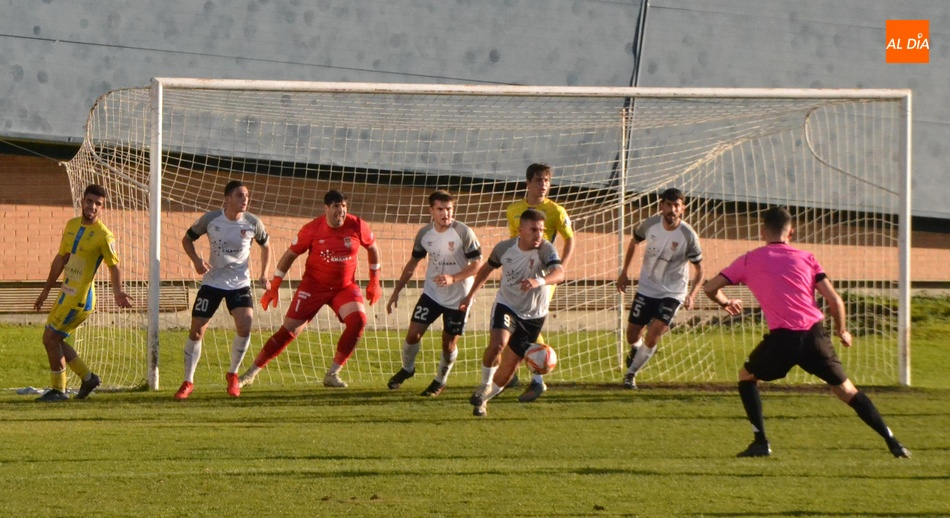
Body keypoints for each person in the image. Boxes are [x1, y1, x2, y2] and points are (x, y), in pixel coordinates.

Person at [703, 206, 911, 458]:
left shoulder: (748, 260)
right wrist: (842, 330)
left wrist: (726, 302)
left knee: (746, 376)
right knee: (847, 391)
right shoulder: (807, 258)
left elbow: (710, 288)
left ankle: (761, 442)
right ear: (791, 232)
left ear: (762, 232)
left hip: (783, 340)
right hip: (815, 336)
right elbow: (835, 300)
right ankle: (894, 442)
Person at [239, 190, 382, 389]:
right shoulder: (312, 229)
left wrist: (375, 280)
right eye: (336, 207)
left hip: (344, 287)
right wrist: (275, 285)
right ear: (326, 208)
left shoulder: (357, 225)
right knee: (289, 331)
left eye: (343, 206)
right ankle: (251, 373)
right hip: (313, 287)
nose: (341, 211)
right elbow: (290, 255)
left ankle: (332, 374)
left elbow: (373, 248)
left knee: (358, 321)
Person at [33, 184, 134, 402]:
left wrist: (118, 292)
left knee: (50, 338)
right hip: (65, 294)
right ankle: (88, 378)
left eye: (98, 204)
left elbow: (114, 267)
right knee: (54, 340)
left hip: (80, 299)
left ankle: (59, 390)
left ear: (102, 207)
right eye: (90, 201)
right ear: (82, 201)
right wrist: (46, 290)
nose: (93, 207)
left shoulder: (104, 236)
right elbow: (60, 259)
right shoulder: (71, 225)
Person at [174, 180, 272, 400]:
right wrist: (196, 260)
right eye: (239, 195)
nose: (245, 199)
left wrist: (264, 274)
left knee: (245, 325)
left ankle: (233, 374)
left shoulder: (253, 222)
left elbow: (266, 246)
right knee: (197, 330)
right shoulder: (211, 219)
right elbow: (187, 239)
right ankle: (188, 381)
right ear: (227, 199)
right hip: (212, 282)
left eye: (246, 195)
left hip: (239, 283)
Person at [463, 208, 565, 417]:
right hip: (507, 305)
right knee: (498, 343)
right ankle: (484, 384)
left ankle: (483, 401)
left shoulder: (546, 249)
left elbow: (560, 273)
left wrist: (538, 281)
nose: (539, 235)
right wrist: (470, 295)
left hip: (534, 315)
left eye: (541, 230)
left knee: (508, 369)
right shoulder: (504, 248)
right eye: (534, 230)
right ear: (521, 230)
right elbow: (487, 268)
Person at [386, 190, 483, 396]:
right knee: (412, 335)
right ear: (431, 210)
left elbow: (477, 265)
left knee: (448, 345)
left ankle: (440, 380)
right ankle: (407, 369)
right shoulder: (424, 234)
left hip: (458, 298)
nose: (445, 214)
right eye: (440, 209)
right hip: (432, 294)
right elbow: (413, 262)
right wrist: (397, 290)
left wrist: (453, 278)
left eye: (449, 209)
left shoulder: (463, 232)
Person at [616, 188, 704, 389]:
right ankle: (638, 350)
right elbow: (634, 242)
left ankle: (631, 374)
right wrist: (624, 273)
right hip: (647, 288)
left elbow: (700, 270)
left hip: (673, 293)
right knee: (632, 335)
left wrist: (692, 294)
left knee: (654, 333)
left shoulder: (689, 236)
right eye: (668, 205)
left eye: (676, 206)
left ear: (683, 208)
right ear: (661, 206)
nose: (672, 210)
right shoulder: (650, 225)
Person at [501, 163, 575, 403]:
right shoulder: (514, 210)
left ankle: (538, 380)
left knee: (529, 323)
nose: (543, 185)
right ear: (528, 182)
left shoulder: (556, 211)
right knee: (509, 319)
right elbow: (513, 241)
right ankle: (511, 373)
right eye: (539, 180)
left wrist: (560, 268)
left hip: (541, 278)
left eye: (546, 180)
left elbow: (570, 239)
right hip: (518, 275)